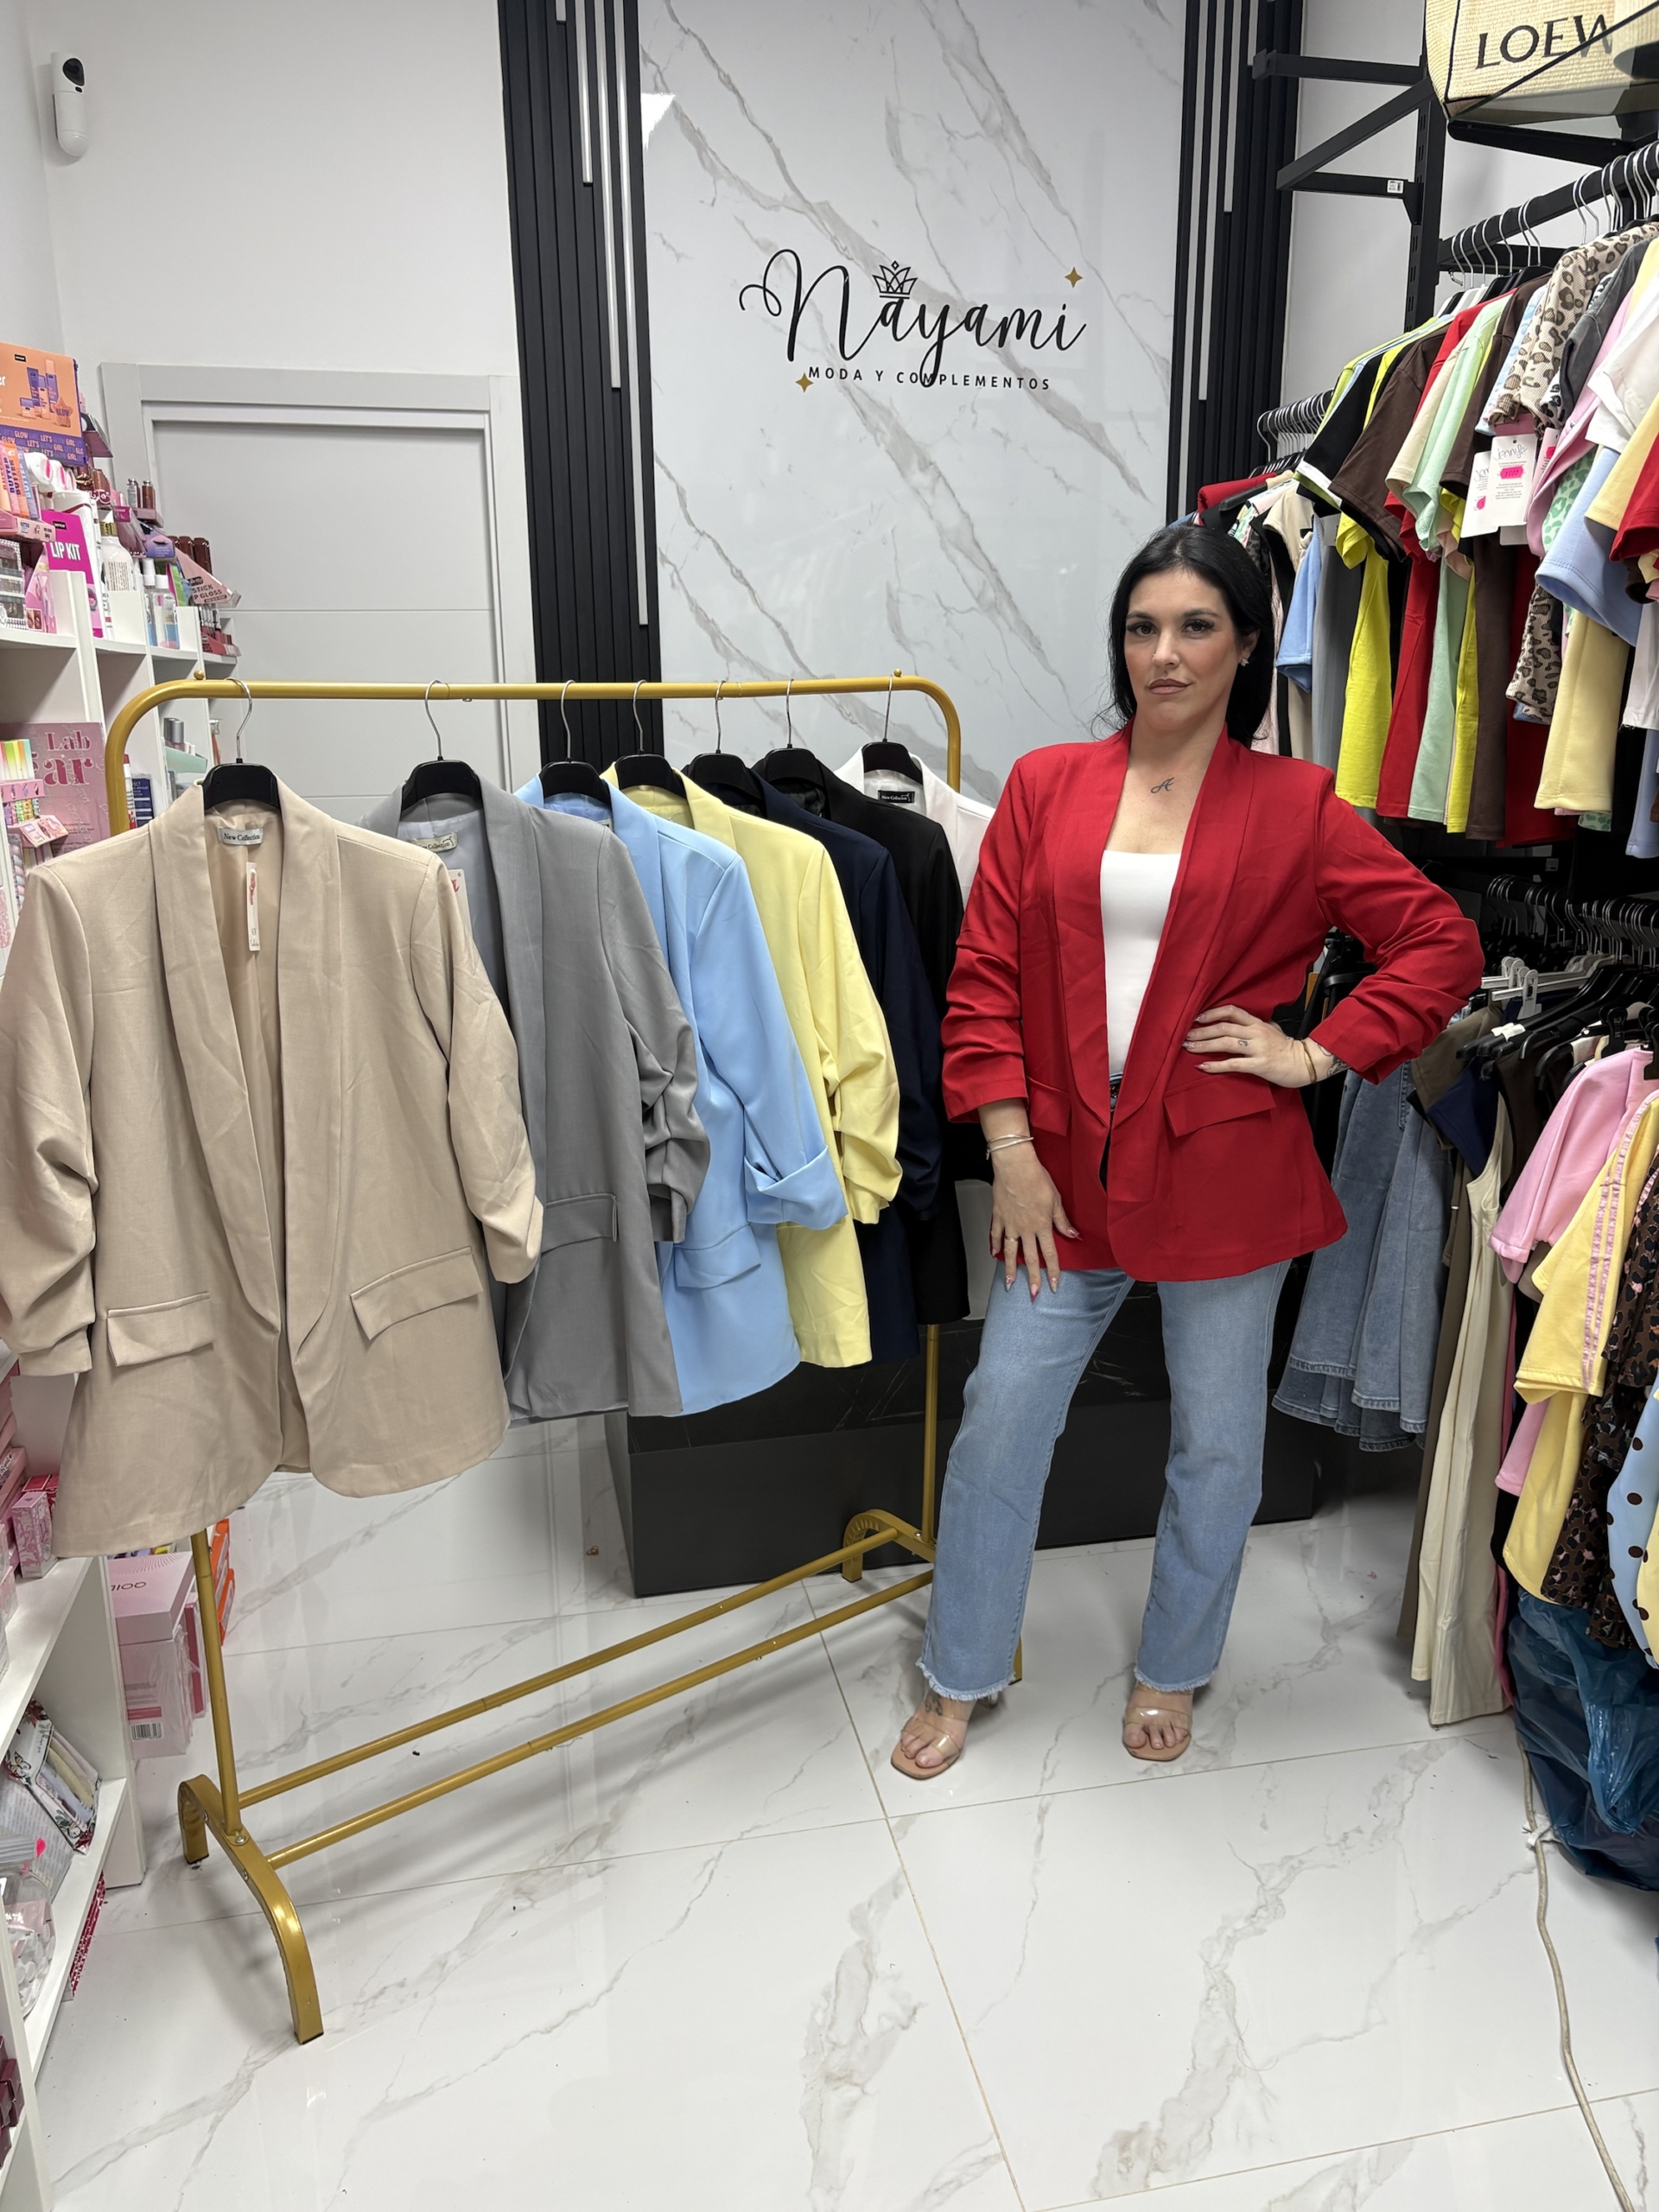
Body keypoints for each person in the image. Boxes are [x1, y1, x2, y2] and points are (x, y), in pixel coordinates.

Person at [891, 523, 1481, 1777]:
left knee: (1216, 1438)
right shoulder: (1047, 784)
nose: (1163, 653)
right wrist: (1013, 1151)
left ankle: (1174, 1663)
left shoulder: (1296, 806)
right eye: (1141, 627)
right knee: (1001, 1417)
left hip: (1223, 1166)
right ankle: (961, 1668)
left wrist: (1313, 1053)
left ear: (1248, 644)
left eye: (1195, 626)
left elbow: (1440, 942)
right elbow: (983, 977)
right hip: (1059, 1170)